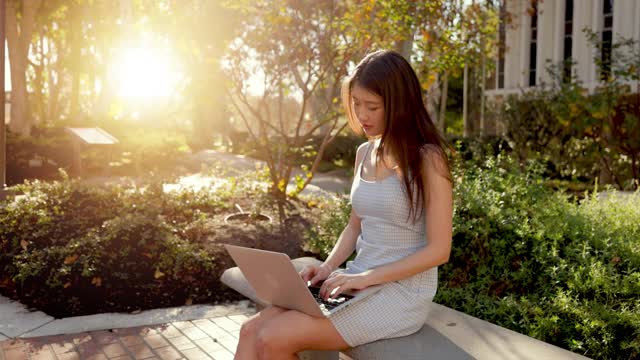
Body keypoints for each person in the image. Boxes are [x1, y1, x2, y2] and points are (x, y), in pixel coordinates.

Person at [234, 49, 453, 359]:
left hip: (400, 294)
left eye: (372, 106)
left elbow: (439, 250)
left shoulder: (428, 159)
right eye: (356, 104)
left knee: (273, 338)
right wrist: (327, 267)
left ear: (399, 104)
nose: (362, 115)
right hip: (357, 280)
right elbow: (354, 226)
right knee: (250, 331)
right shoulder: (364, 153)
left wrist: (366, 278)